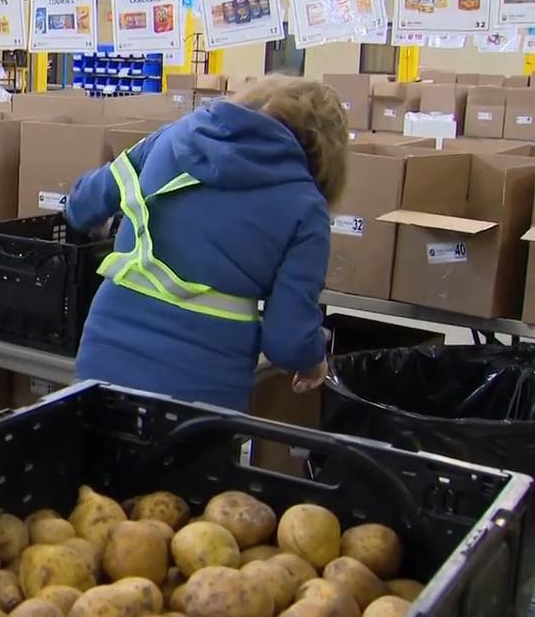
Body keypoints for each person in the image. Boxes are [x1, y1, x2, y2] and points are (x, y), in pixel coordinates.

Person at [66, 75, 348, 411]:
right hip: (202, 384)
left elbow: (82, 206)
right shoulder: (307, 208)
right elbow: (287, 341)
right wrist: (313, 358)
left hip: (104, 355)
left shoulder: (174, 137)